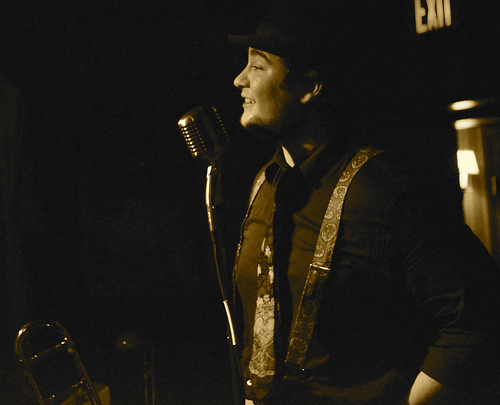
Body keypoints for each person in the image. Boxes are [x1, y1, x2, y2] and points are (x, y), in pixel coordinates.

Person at [227, 1, 500, 404]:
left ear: (309, 87)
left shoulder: (383, 192)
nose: (239, 80)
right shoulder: (263, 185)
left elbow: (477, 316)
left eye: (257, 66)